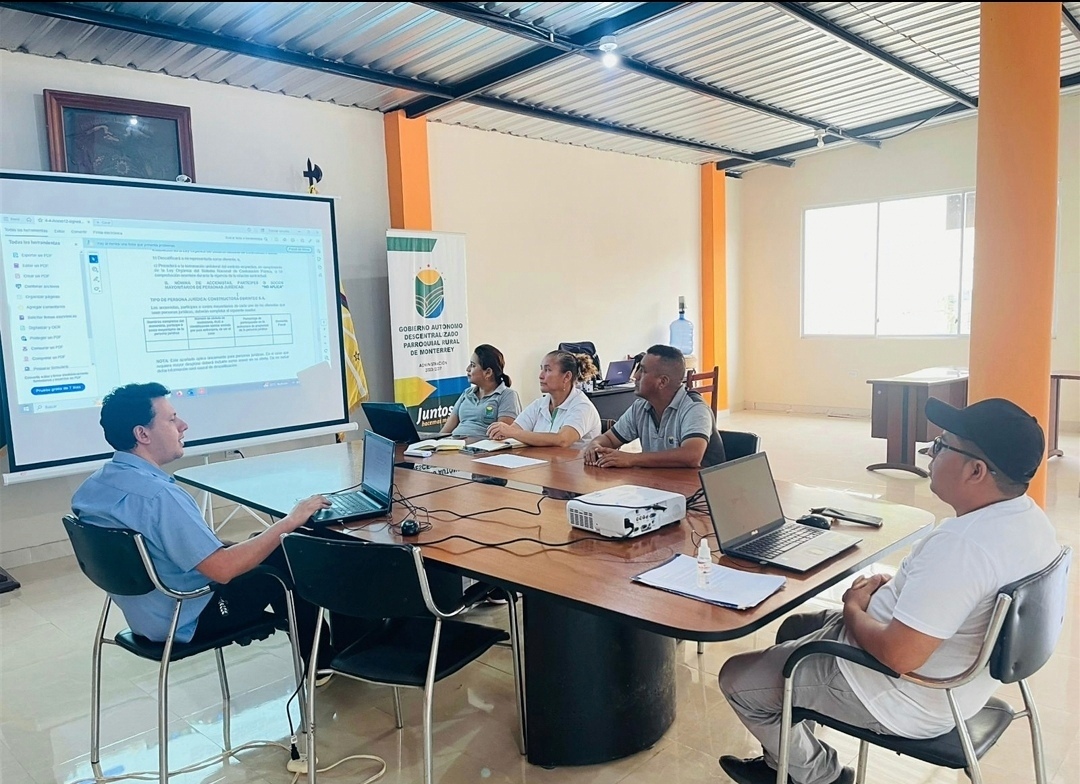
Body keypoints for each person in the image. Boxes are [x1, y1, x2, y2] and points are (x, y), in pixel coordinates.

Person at [716, 397, 1059, 784]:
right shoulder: (1031, 521)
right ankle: (785, 760)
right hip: (955, 681)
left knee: (736, 679)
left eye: (942, 445)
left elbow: (899, 655)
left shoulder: (963, 547)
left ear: (976, 470)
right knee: (794, 628)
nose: (931, 453)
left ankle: (821, 776)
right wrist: (891, 592)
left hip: (897, 694)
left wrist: (853, 607)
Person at [70, 382, 337, 672]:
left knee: (262, 542)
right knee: (291, 551)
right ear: (142, 434)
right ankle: (324, 662)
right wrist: (291, 520)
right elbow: (222, 570)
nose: (183, 425)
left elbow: (160, 546)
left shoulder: (92, 488)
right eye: (172, 419)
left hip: (147, 616)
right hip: (188, 615)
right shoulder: (160, 497)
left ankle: (320, 657)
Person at [583, 344, 725, 469]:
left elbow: (691, 456)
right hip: (660, 482)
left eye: (643, 371)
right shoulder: (640, 407)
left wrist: (631, 458)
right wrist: (595, 445)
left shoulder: (695, 408)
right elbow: (609, 439)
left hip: (700, 487)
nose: (636, 376)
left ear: (662, 382)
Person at [486, 350, 602, 448]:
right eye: (541, 369)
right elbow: (515, 429)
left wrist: (512, 432)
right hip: (544, 464)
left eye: (548, 370)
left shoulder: (582, 406)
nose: (540, 376)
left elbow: (563, 440)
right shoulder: (539, 404)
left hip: (574, 467)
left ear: (567, 376)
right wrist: (502, 432)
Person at [440, 344, 521, 438]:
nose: (468, 369)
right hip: (453, 444)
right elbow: (445, 432)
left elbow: (502, 435)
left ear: (488, 372)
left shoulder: (507, 395)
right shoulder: (467, 393)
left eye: (473, 365)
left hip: (479, 446)